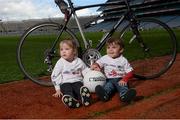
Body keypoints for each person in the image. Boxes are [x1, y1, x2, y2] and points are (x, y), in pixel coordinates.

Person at [91, 38, 136, 103]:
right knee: (108, 87)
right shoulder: (105, 58)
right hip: (109, 80)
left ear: (121, 50)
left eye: (114, 47)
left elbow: (130, 72)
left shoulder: (123, 60)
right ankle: (104, 95)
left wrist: (124, 79)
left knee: (122, 87)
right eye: (108, 47)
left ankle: (124, 96)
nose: (110, 50)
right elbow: (98, 63)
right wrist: (95, 65)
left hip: (120, 79)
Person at [51, 39, 91, 108]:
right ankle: (72, 101)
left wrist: (91, 73)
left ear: (74, 51)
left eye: (67, 49)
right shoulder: (60, 62)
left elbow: (85, 71)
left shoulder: (78, 61)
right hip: (65, 83)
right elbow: (55, 76)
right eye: (61, 49)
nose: (63, 51)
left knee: (79, 88)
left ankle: (84, 98)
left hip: (77, 81)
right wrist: (57, 89)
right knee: (67, 90)